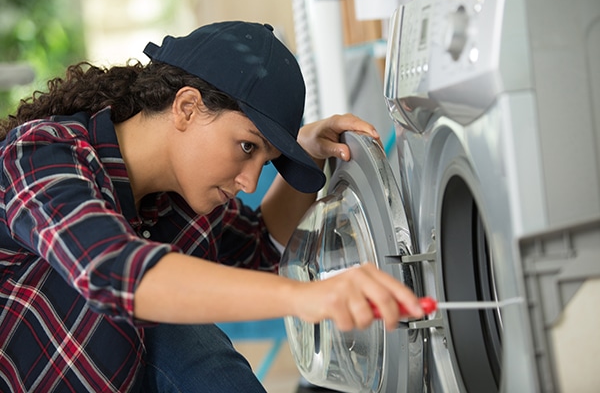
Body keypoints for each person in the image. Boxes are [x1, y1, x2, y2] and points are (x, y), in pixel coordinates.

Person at [0, 21, 423, 392]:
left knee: (178, 327)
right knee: (173, 322)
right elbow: (114, 271)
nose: (251, 181)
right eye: (247, 147)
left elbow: (263, 247)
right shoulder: (40, 152)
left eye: (266, 159)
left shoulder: (180, 200)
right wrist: (307, 297)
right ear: (187, 107)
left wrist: (306, 154)